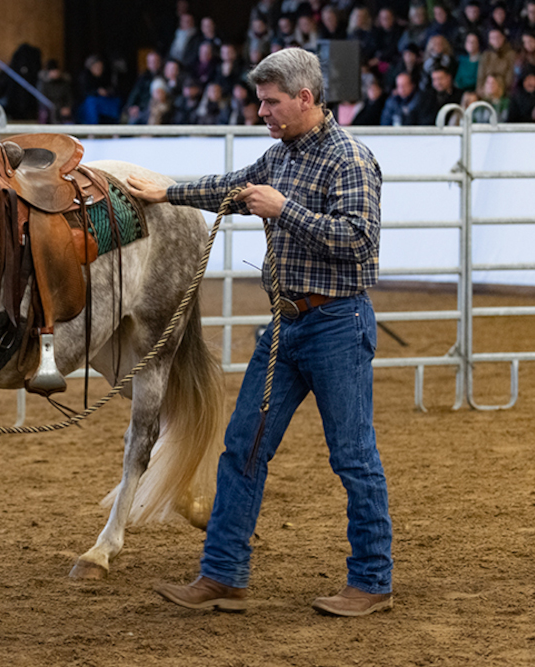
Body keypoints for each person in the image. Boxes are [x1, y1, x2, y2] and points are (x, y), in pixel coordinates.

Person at [126, 47, 392, 618]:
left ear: (305, 97)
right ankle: (223, 574)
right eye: (260, 101)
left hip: (335, 324)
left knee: (353, 456)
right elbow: (227, 186)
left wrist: (284, 209)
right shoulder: (280, 157)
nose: (262, 112)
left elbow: (361, 243)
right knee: (243, 448)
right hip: (288, 326)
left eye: (271, 102)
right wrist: (165, 194)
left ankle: (372, 580)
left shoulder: (349, 159)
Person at [125, 51, 164, 124]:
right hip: (142, 108)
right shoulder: (143, 77)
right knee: (132, 119)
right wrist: (132, 106)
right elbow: (135, 93)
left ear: (160, 62)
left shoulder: (164, 76)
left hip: (156, 109)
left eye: (155, 61)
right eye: (151, 62)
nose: (153, 64)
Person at [36, 59, 74, 124]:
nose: (56, 73)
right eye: (53, 71)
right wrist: (57, 108)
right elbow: (42, 99)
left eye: (57, 71)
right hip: (48, 108)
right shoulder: (43, 83)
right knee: (44, 113)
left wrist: (67, 106)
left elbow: (69, 97)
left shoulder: (64, 82)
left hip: (61, 106)